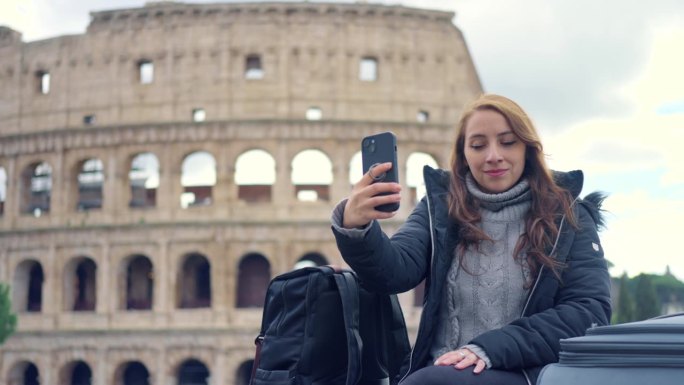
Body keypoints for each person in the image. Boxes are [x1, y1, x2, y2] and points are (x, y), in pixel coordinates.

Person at [330, 94, 611, 385]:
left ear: (527, 148)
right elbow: (394, 271)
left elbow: (588, 311)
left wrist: (490, 348)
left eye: (507, 142)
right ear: (463, 154)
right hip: (440, 370)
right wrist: (358, 226)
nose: (493, 156)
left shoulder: (568, 215)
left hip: (526, 373)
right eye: (478, 145)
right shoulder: (439, 207)